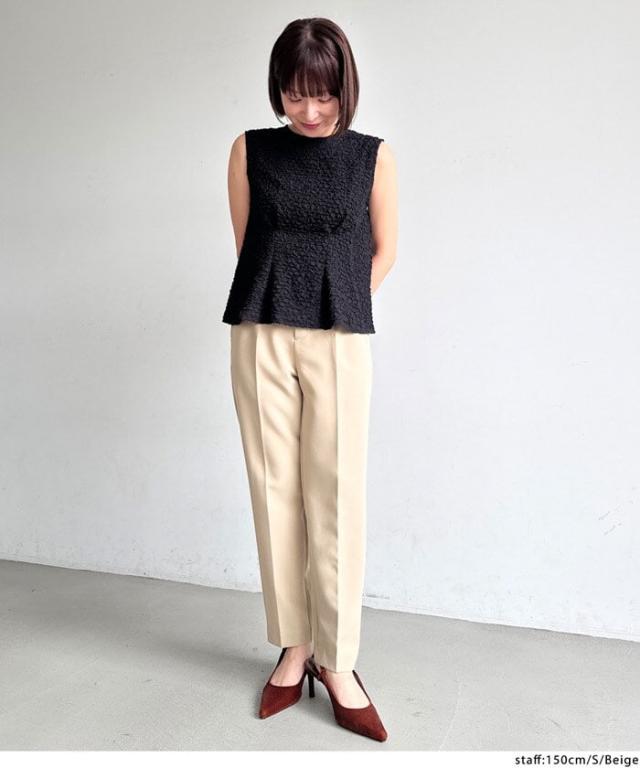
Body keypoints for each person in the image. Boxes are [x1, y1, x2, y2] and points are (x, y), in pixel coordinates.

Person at [222, 16, 397, 742]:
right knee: (274, 490)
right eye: (295, 94)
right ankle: (294, 647)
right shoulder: (249, 150)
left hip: (338, 336)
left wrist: (342, 303)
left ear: (344, 88)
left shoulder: (371, 156)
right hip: (261, 331)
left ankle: (338, 659)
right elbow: (248, 245)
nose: (310, 110)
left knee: (337, 491)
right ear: (278, 90)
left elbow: (385, 250)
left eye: (322, 94)